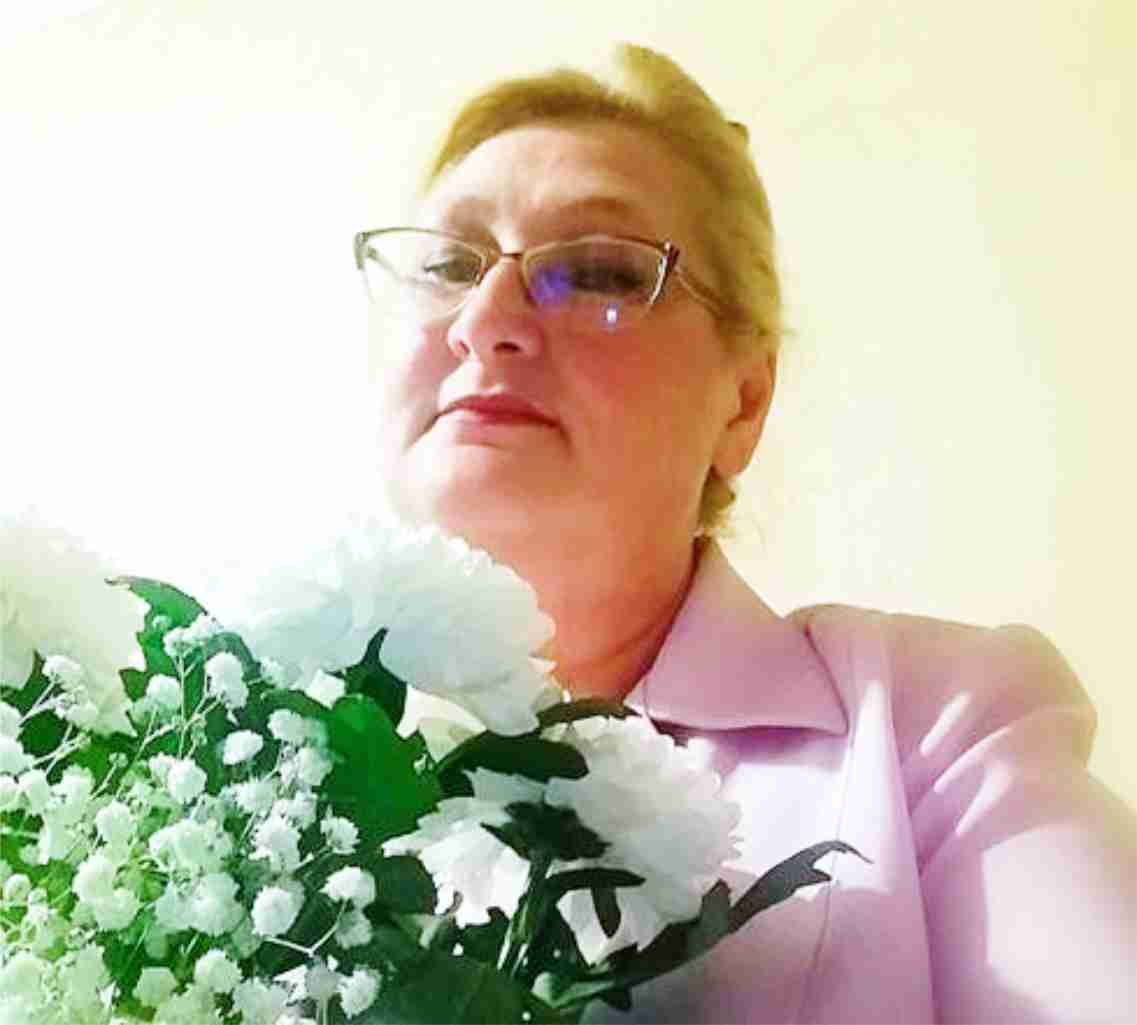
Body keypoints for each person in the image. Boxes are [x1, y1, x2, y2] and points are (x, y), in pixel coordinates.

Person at [355, 43, 1137, 1024]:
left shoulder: (935, 733)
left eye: (595, 271)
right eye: (446, 264)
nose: (484, 317)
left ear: (744, 400)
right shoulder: (222, 760)